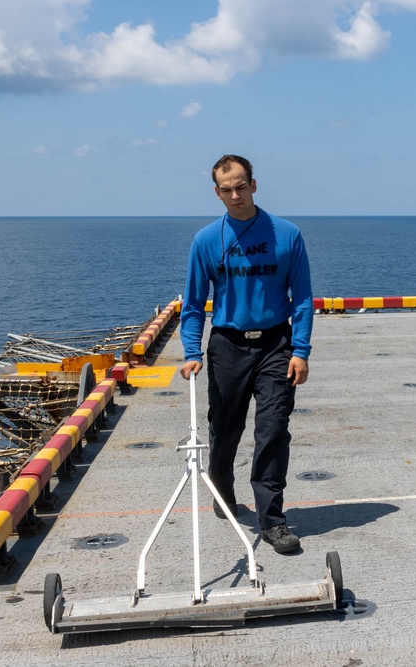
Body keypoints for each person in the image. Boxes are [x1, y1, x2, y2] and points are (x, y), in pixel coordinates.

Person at [179, 154, 313, 554]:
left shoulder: (286, 234)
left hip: (276, 343)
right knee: (225, 429)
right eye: (226, 189)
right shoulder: (206, 240)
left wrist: (301, 350)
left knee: (272, 429)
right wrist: (191, 351)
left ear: (254, 185)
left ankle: (272, 520)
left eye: (241, 186)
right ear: (217, 192)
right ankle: (222, 491)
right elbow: (192, 304)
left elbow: (302, 298)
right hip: (227, 346)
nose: (235, 195)